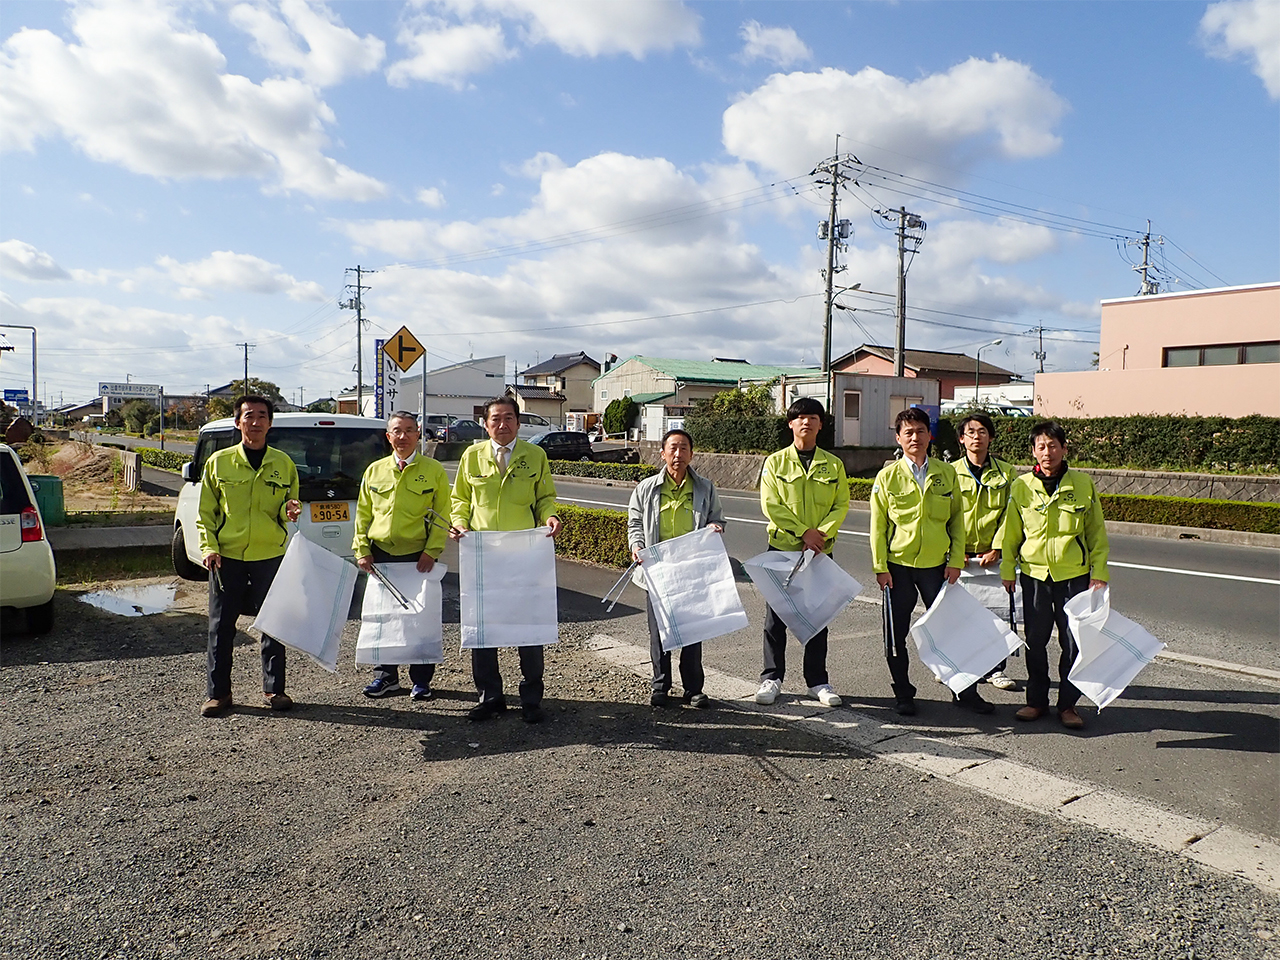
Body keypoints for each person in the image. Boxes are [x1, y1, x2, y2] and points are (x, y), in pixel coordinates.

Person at [870, 407, 994, 717]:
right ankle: (903, 692)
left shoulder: (946, 472)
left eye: (920, 431)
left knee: (951, 629)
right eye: (908, 432)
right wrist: (880, 567)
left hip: (937, 566)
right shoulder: (887, 476)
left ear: (930, 435)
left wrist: (954, 561)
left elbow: (956, 521)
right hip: (898, 565)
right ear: (899, 438)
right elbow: (878, 526)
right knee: (895, 633)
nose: (915, 437)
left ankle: (964, 690)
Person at [449, 397, 562, 723]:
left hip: (524, 557)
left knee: (529, 628)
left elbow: (544, 498)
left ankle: (531, 700)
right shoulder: (472, 456)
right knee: (483, 628)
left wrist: (550, 516)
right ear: (485, 424)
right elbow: (460, 501)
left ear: (518, 422)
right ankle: (491, 697)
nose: (502, 424)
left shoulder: (535, 456)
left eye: (509, 418)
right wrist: (459, 524)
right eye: (496, 419)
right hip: (483, 557)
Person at [196, 395, 301, 717]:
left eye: (262, 416)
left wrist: (289, 511)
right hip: (227, 557)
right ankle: (219, 694)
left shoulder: (283, 463)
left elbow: (287, 508)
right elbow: (206, 513)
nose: (255, 422)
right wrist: (208, 547)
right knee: (221, 626)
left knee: (273, 625)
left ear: (270, 423)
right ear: (237, 422)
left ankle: (274, 689)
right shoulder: (219, 463)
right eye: (248, 416)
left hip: (270, 556)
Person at [1001, 420, 1109, 730]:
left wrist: (1098, 571)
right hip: (1034, 574)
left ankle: (1068, 705)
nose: (1047, 452)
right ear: (1033, 451)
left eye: (1052, 445)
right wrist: (1008, 569)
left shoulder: (1082, 484)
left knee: (1073, 642)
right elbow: (1011, 533)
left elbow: (1096, 533)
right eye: (1040, 447)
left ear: (1063, 448)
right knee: (1035, 640)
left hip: (1073, 575)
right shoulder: (1021, 486)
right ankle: (1036, 701)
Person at [754, 397, 850, 708]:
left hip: (820, 553)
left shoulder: (833, 465)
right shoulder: (775, 462)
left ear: (821, 424)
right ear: (790, 424)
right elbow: (771, 505)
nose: (806, 422)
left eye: (813, 417)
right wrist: (803, 532)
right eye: (800, 417)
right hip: (783, 549)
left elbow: (841, 504)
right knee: (776, 618)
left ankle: (817, 682)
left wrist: (820, 535)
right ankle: (772, 677)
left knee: (818, 618)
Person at [353, 411, 451, 702]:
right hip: (382, 555)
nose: (403, 436)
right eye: (397, 431)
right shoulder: (375, 471)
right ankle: (386, 677)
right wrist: (362, 549)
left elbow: (441, 514)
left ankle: (421, 680)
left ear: (418, 434)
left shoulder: (432, 470)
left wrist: (432, 551)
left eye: (410, 430)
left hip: (418, 557)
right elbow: (363, 514)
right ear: (388, 436)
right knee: (385, 618)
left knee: (420, 618)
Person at [627, 428, 727, 709]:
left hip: (692, 571)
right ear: (662, 454)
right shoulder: (646, 489)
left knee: (692, 631)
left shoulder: (705, 488)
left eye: (683, 448)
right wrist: (636, 547)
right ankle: (660, 685)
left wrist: (714, 527)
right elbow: (635, 524)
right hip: (658, 571)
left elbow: (717, 518)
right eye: (672, 448)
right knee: (659, 632)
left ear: (691, 454)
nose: (678, 454)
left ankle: (693, 689)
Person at [954, 412, 1019, 691]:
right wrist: (956, 551)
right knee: (959, 615)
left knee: (996, 614)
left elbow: (1012, 513)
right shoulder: (949, 472)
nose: (976, 437)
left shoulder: (1007, 472)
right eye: (970, 432)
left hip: (994, 556)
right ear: (961, 439)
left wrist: (997, 547)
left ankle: (995, 669)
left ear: (991, 437)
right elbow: (947, 513)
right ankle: (959, 665)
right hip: (960, 556)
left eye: (982, 431)